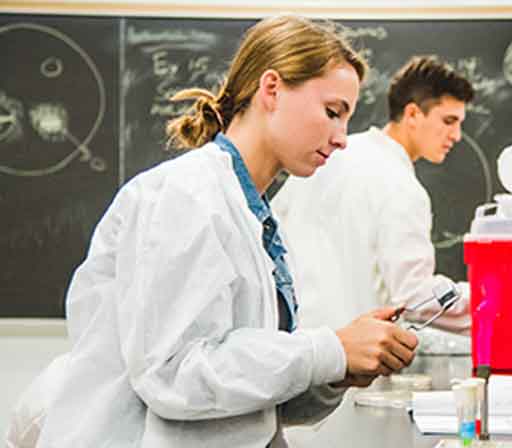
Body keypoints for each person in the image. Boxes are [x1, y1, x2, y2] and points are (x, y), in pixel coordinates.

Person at [20, 15, 417, 448]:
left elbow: (251, 401)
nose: (342, 138)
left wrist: (338, 371)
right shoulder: (186, 196)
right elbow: (174, 375)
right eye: (332, 112)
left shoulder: (253, 216)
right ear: (271, 89)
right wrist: (330, 349)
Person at [272, 55, 475, 335]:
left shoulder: (323, 157)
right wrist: (489, 300)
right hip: (350, 361)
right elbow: (415, 297)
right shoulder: (401, 187)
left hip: (290, 346)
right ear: (413, 114)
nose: (457, 135)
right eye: (449, 121)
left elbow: (272, 240)